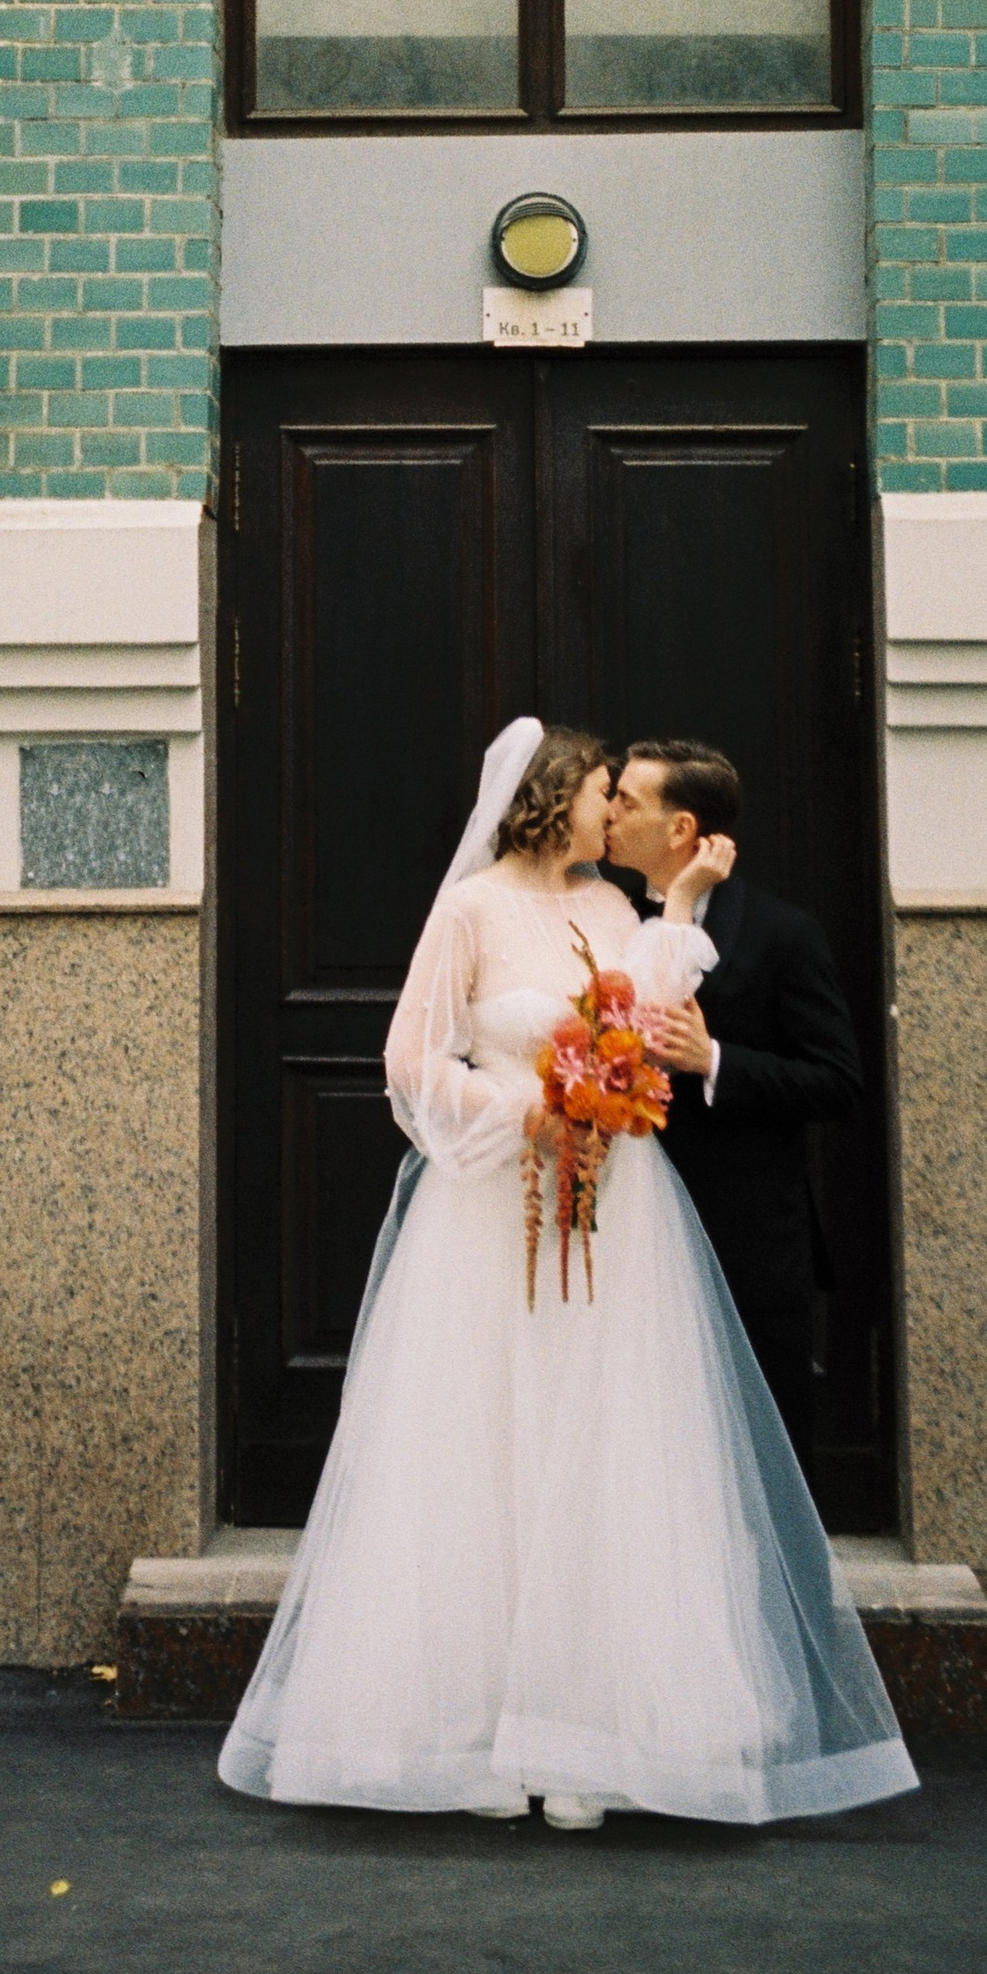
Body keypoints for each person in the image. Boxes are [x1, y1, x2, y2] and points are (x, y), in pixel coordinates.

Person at [218, 719, 916, 1831]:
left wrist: (678, 910)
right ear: (556, 797)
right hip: (493, 1207)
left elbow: (634, 1020)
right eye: (605, 791)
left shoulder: (612, 909)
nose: (615, 811)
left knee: (604, 1451)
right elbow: (411, 1063)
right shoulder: (472, 909)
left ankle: (592, 1731)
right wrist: (524, 1112)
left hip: (616, 1212)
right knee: (485, 1448)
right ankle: (472, 1731)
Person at [602, 737, 862, 1482]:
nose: (610, 815)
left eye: (628, 801)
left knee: (759, 1468)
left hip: (747, 1245)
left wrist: (713, 1060)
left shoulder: (784, 934)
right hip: (628, 1240)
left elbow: (838, 1082)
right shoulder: (606, 920)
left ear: (681, 828)